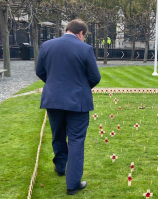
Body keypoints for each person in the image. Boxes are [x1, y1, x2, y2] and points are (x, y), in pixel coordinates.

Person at [36, 19, 101, 195]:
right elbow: (95, 76)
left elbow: (40, 71)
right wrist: (81, 87)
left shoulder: (47, 45)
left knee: (58, 134)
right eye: (84, 36)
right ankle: (72, 184)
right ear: (81, 33)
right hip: (77, 102)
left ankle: (60, 166)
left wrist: (54, 86)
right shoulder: (85, 49)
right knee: (76, 141)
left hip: (53, 100)